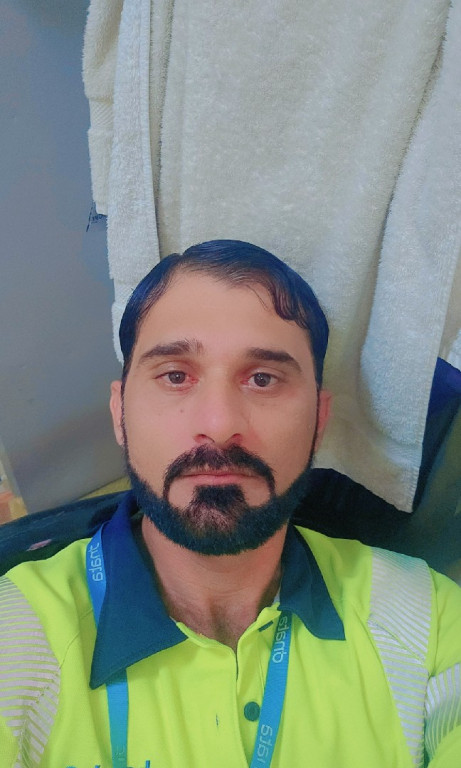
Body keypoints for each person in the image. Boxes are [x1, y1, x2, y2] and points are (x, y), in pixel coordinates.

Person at [0, 240, 460, 768]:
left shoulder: (429, 623)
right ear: (119, 413)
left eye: (263, 379)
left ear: (319, 420)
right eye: (176, 376)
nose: (219, 425)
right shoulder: (14, 640)